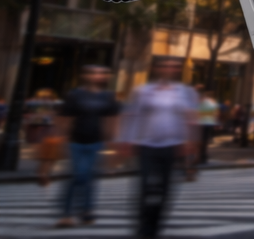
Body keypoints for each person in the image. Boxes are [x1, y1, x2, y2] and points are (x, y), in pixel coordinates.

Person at [119, 56, 198, 239]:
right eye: (164, 65)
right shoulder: (143, 91)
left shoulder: (184, 92)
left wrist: (191, 144)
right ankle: (143, 227)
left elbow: (191, 118)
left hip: (173, 146)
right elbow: (133, 116)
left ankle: (155, 228)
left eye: (174, 66)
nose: (169, 69)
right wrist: (126, 140)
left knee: (165, 190)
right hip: (147, 145)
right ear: (155, 68)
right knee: (147, 187)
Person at [54, 65, 120, 228]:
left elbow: (112, 119)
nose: (98, 76)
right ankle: (68, 213)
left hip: (96, 141)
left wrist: (113, 145)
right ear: (85, 75)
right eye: (93, 73)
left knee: (89, 176)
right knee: (79, 175)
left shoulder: (108, 96)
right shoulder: (75, 95)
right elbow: (65, 118)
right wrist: (62, 139)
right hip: (76, 140)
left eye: (102, 73)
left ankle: (86, 210)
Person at [196, 87, 219, 164]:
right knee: (205, 140)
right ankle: (204, 155)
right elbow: (215, 114)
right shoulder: (213, 102)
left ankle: (200, 155)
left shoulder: (201, 102)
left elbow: (198, 112)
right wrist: (215, 122)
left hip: (201, 122)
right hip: (209, 123)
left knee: (200, 140)